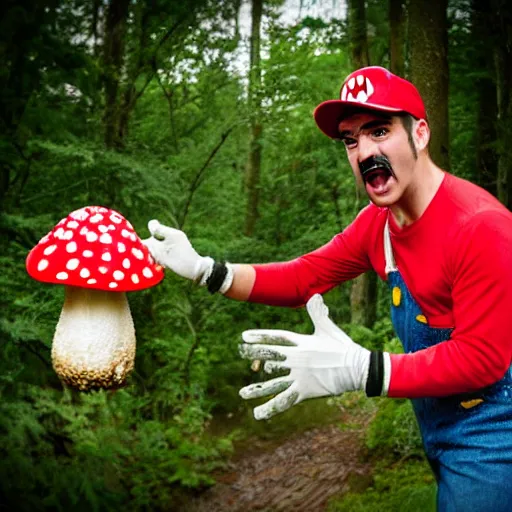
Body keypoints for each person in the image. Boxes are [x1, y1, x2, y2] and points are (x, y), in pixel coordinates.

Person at [143, 66, 512, 511]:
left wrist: (364, 368)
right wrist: (207, 270)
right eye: (351, 140)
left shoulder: (480, 226)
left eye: (379, 131)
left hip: (496, 432)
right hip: (438, 427)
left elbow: (483, 359)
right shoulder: (379, 226)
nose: (364, 152)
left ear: (421, 133)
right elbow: (303, 277)